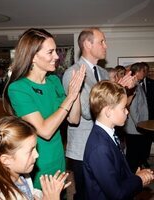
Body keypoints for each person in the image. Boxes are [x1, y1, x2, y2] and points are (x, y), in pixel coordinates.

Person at [3, 28, 86, 189]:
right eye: (51, 52)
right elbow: (45, 131)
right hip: (35, 162)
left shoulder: (54, 81)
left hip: (58, 157)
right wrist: (69, 98)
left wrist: (75, 93)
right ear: (33, 57)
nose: (56, 56)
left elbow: (74, 119)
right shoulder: (18, 88)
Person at [62, 27, 136, 199]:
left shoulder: (102, 72)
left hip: (105, 142)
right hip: (83, 148)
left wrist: (124, 91)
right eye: (101, 41)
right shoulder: (72, 72)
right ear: (88, 44)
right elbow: (88, 111)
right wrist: (118, 91)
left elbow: (111, 104)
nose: (106, 46)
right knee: (86, 194)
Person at [83, 80, 154, 200]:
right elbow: (116, 194)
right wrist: (139, 179)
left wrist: (132, 178)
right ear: (109, 112)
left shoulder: (108, 134)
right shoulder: (100, 148)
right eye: (123, 108)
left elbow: (116, 172)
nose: (127, 112)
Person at [0, 116, 71, 200]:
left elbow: (30, 192)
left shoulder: (21, 176)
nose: (37, 154)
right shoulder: (6, 196)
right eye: (31, 151)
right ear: (6, 160)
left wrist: (49, 192)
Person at [124, 62, 150, 172]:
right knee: (132, 157)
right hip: (135, 128)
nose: (145, 73)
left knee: (136, 155)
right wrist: (140, 125)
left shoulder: (138, 85)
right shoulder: (133, 86)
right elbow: (133, 109)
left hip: (137, 127)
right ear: (138, 72)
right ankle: (131, 178)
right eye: (143, 71)